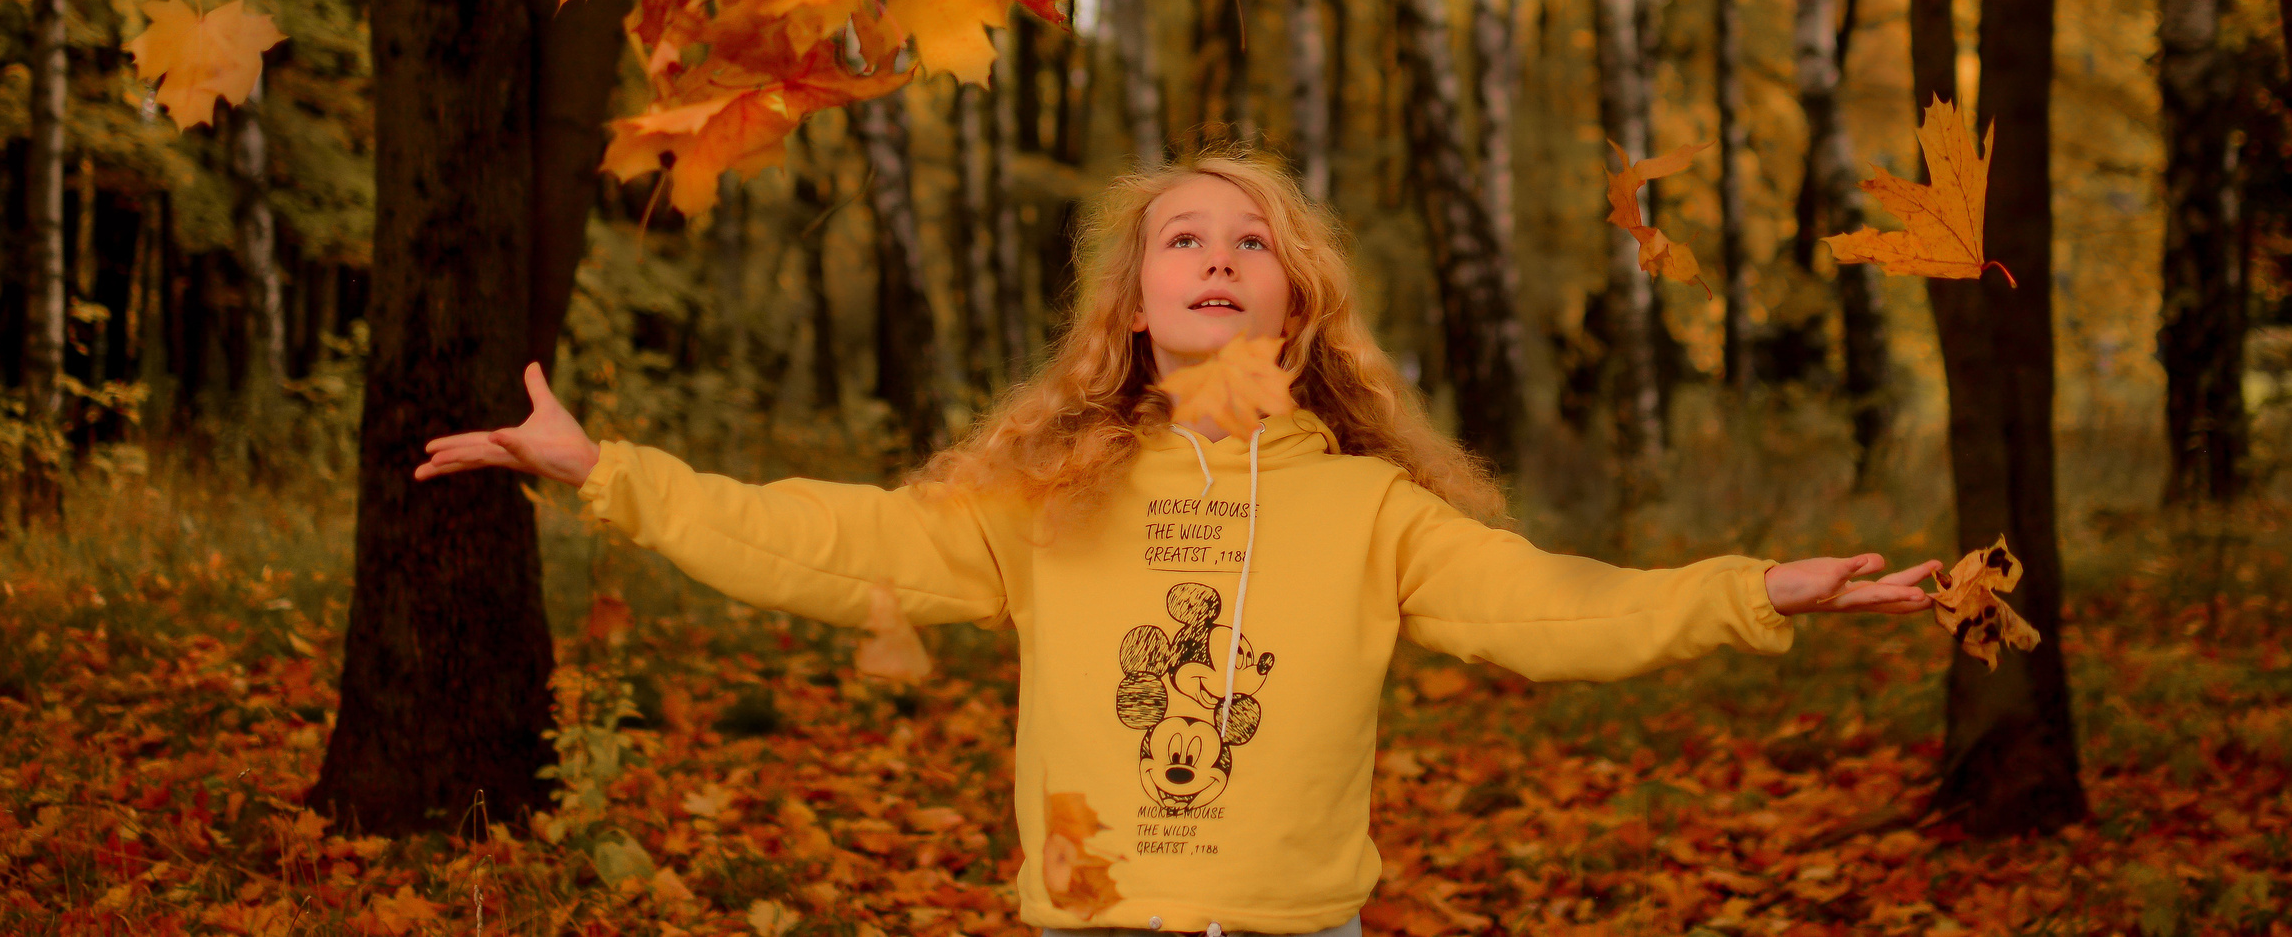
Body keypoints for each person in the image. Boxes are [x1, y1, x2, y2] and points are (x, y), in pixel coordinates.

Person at [418, 150, 1940, 937]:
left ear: (1299, 302)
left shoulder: (1371, 511)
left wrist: (1756, 591)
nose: (1217, 255)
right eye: (1182, 239)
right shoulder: (1056, 498)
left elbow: (1553, 606)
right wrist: (607, 470)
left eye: (1251, 239)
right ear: (1137, 302)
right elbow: (834, 544)